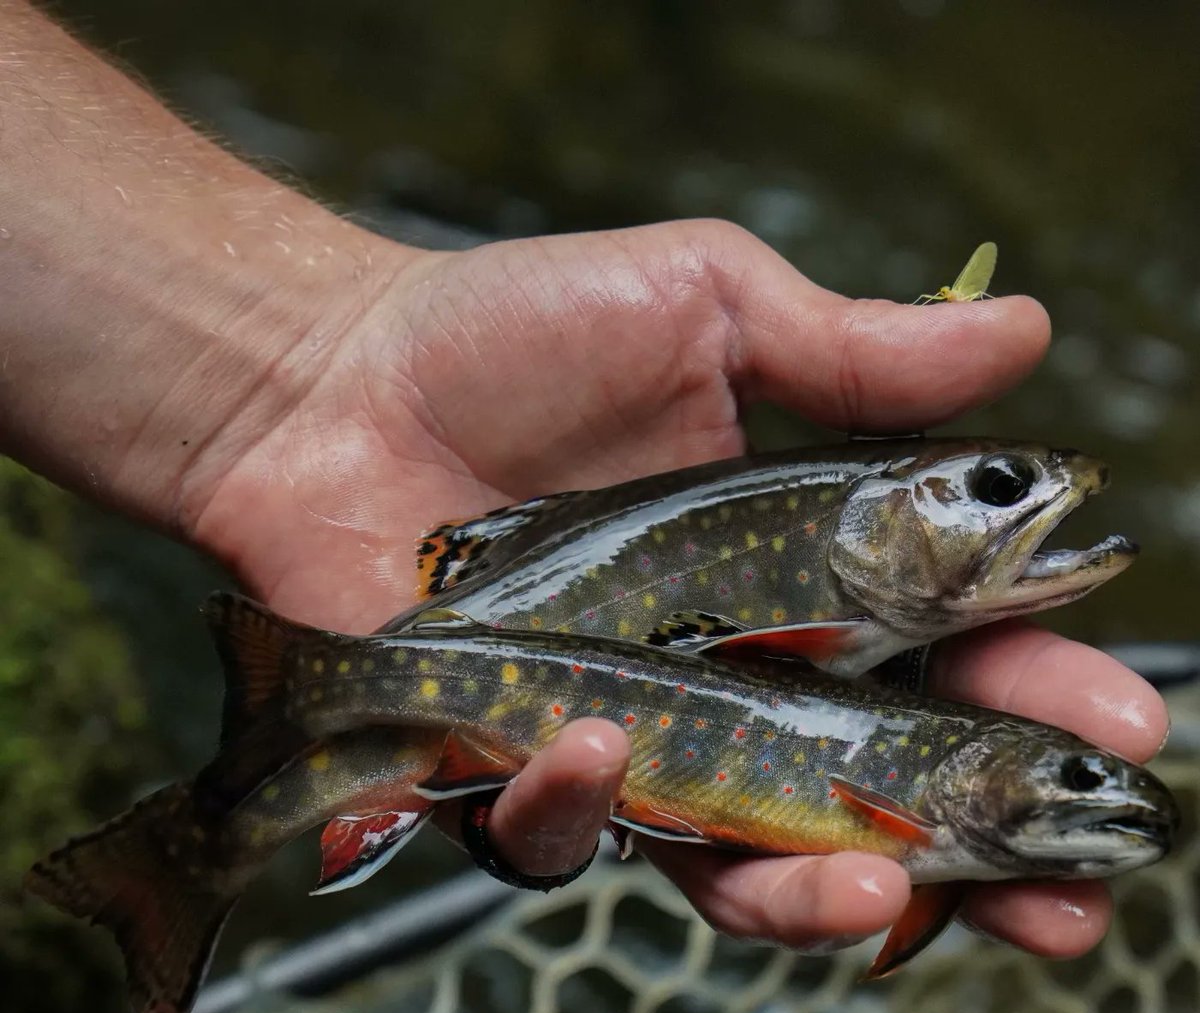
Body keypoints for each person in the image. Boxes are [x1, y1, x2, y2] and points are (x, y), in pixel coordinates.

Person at [0, 0, 1167, 961]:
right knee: (431, 738)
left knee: (444, 743)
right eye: (1002, 484)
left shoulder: (858, 642)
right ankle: (194, 846)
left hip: (491, 665)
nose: (1046, 497)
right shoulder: (829, 601)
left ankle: (197, 842)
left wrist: (302, 372)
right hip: (491, 650)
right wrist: (307, 378)